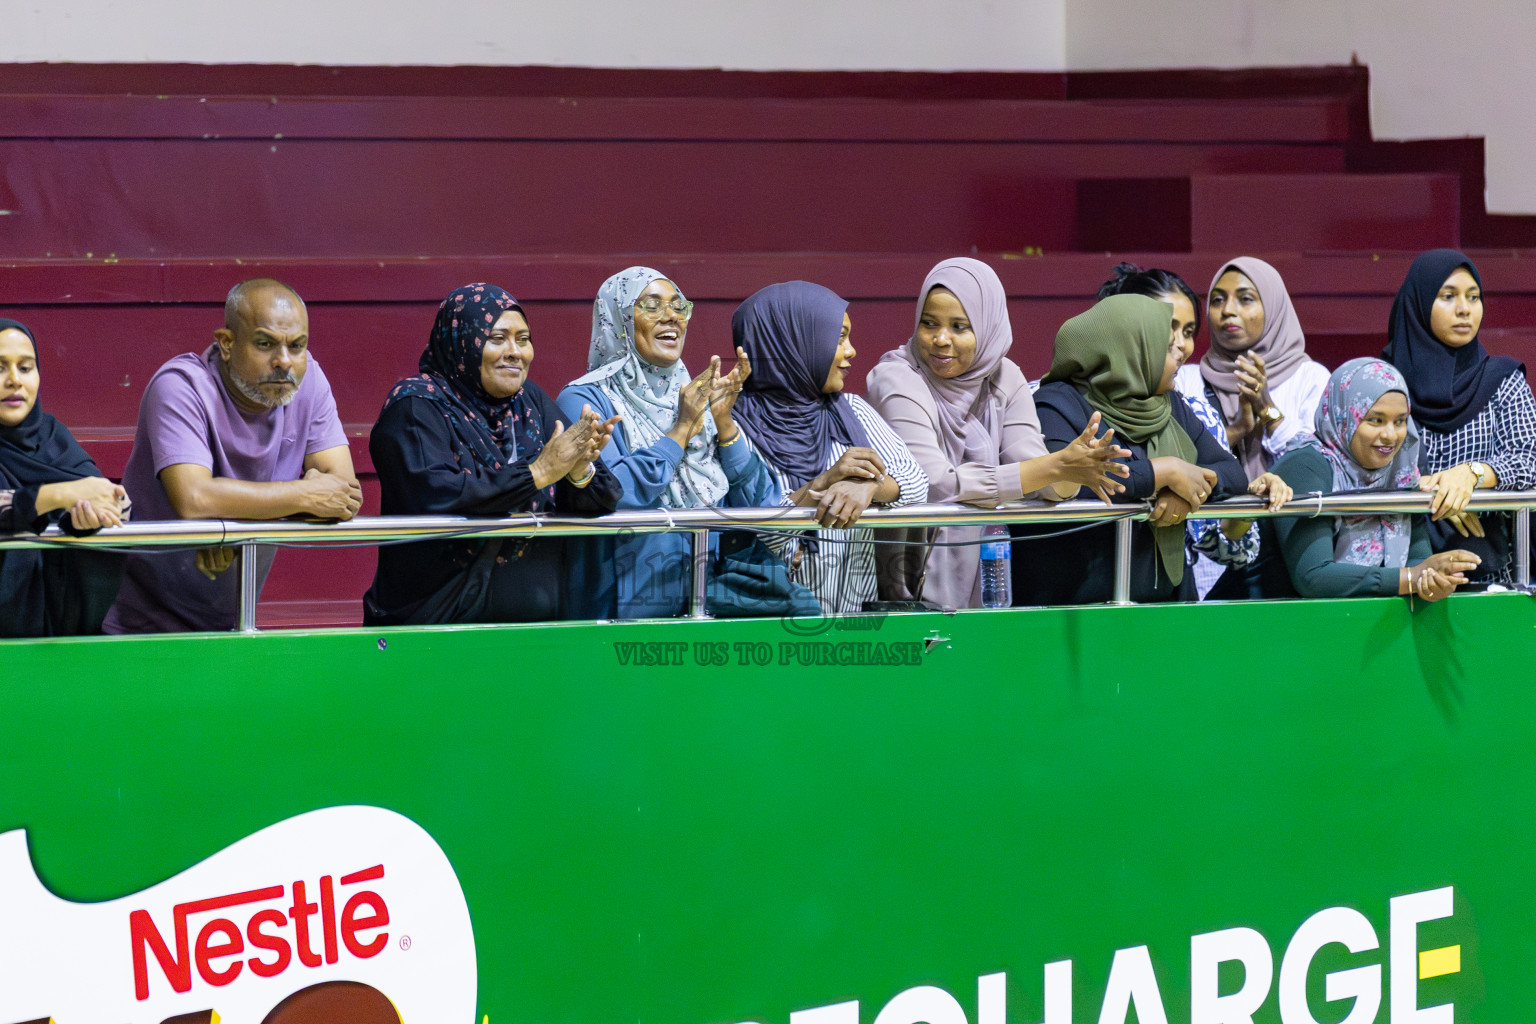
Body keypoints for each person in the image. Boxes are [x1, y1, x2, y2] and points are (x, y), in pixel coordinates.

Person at [865, 257, 1131, 609]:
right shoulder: (895, 378)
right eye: (929, 324)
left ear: (987, 326)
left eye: (960, 326)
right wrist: (1051, 468)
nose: (940, 339)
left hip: (990, 581)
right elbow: (932, 484)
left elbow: (1032, 467)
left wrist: (1070, 473)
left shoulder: (1003, 375)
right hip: (905, 585)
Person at [104, 279, 361, 633]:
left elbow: (343, 493)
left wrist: (231, 528)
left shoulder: (308, 380)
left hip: (232, 622)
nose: (284, 362)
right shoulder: (180, 385)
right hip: (136, 622)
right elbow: (194, 498)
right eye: (265, 343)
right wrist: (302, 494)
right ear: (226, 344)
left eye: (297, 346)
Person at [365, 283, 621, 625]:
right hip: (433, 626)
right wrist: (540, 473)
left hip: (534, 631)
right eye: (497, 338)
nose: (515, 352)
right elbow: (436, 494)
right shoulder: (416, 405)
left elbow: (602, 500)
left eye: (524, 339)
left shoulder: (530, 403)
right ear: (460, 343)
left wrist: (578, 470)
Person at [559, 267, 781, 618]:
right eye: (651, 305)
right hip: (625, 603)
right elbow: (612, 492)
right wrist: (678, 433)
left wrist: (724, 425)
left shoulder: (693, 393)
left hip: (710, 599)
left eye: (679, 306)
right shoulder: (585, 399)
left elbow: (763, 504)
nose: (671, 317)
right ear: (618, 318)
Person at [1017, 293, 1247, 605]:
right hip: (1072, 612)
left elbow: (1232, 473)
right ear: (1128, 353)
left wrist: (1181, 491)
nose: (1182, 353)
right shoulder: (1056, 403)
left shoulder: (1170, 407)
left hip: (1165, 607)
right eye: (1165, 347)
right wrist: (1160, 474)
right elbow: (1065, 486)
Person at [730, 280, 928, 615]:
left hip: (854, 621)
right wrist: (826, 481)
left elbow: (916, 482)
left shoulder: (853, 410)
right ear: (791, 342)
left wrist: (866, 486)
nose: (851, 350)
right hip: (766, 625)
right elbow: (765, 531)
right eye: (838, 337)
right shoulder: (733, 428)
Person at [1098, 262, 1291, 599]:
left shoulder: (1189, 409)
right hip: (1081, 600)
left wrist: (1202, 490)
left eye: (1188, 331)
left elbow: (1234, 544)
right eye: (1168, 326)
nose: (1180, 344)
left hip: (1172, 597)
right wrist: (1164, 476)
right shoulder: (1060, 397)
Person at [1380, 249, 1536, 584]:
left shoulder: (1502, 380)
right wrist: (1435, 496)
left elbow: (1531, 460)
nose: (1465, 309)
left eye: (1474, 297)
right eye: (1448, 296)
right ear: (1419, 304)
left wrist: (1473, 476)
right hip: (1398, 571)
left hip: (1492, 575)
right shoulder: (1382, 384)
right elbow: (1350, 465)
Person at [1268, 357, 1479, 600]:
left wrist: (1433, 582)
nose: (1391, 435)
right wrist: (1411, 578)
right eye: (1375, 420)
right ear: (1344, 416)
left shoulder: (1400, 470)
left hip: (1357, 623)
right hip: (1260, 622)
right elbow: (1313, 577)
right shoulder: (1307, 464)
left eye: (1400, 421)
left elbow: (1418, 561)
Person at [0, 319, 130, 637]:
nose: (14, 380)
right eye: (0, 367)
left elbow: (112, 500)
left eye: (26, 368)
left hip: (65, 645)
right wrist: (61, 495)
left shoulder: (53, 436)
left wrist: (87, 520)